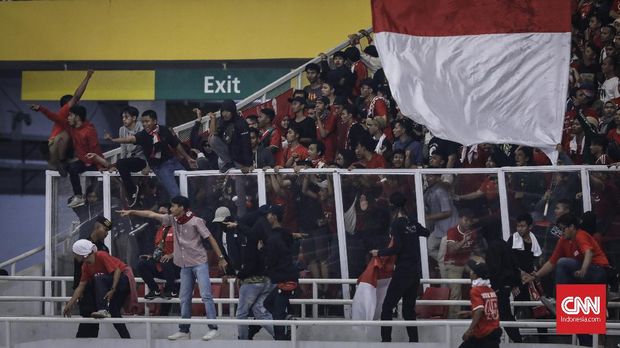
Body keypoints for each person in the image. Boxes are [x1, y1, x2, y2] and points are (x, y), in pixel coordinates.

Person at [118, 195, 228, 341]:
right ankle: (184, 328)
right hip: (184, 265)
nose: (171, 209)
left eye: (173, 206)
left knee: (206, 295)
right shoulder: (172, 220)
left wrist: (221, 258)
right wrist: (132, 212)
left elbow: (210, 238)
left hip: (199, 263)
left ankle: (213, 328)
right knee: (184, 298)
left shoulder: (196, 221)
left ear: (181, 208)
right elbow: (151, 214)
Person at [370, 192, 429, 342]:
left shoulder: (396, 224)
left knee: (387, 307)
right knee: (409, 309)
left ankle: (386, 342)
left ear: (392, 206)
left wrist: (379, 252)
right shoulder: (412, 221)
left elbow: (398, 247)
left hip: (403, 271)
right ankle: (414, 341)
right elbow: (426, 232)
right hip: (415, 271)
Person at [212, 206, 276, 340]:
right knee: (259, 310)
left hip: (249, 277)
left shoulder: (243, 236)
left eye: (222, 222)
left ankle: (243, 340)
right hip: (252, 276)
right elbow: (227, 255)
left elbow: (246, 258)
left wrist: (240, 274)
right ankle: (280, 334)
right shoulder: (221, 234)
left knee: (242, 312)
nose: (221, 225)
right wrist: (230, 272)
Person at [105, 110, 196, 201]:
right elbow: (129, 139)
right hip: (160, 167)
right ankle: (178, 213)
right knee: (174, 192)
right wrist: (113, 140)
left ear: (155, 121)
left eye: (147, 121)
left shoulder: (164, 130)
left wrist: (188, 158)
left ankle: (191, 210)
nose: (145, 124)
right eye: (143, 122)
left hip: (173, 161)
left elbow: (176, 144)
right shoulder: (143, 135)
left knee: (190, 186)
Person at [63, 239, 132, 339]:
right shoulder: (85, 266)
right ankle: (127, 340)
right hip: (110, 284)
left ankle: (103, 309)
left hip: (122, 280)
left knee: (98, 278)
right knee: (114, 312)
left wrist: (112, 289)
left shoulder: (101, 255)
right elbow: (81, 286)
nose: (74, 256)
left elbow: (117, 270)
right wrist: (70, 303)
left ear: (83, 254)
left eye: (76, 254)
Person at [30, 70, 94, 176]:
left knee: (79, 135)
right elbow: (77, 96)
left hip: (63, 150)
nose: (77, 104)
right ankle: (61, 161)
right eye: (75, 103)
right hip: (54, 148)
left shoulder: (74, 120)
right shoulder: (64, 112)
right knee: (66, 135)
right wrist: (87, 77)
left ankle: (66, 161)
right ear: (67, 105)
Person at [263, 204, 299, 341]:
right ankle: (289, 318)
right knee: (268, 303)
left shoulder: (273, 239)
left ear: (275, 217)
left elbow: (272, 259)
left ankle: (281, 340)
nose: (267, 217)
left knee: (277, 314)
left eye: (269, 214)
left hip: (284, 279)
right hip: (288, 276)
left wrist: (263, 251)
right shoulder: (286, 234)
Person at [137, 204, 181, 301]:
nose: (160, 216)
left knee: (165, 260)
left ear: (170, 215)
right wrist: (152, 256)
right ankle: (154, 290)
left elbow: (186, 248)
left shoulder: (179, 227)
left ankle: (172, 291)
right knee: (142, 263)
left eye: (163, 213)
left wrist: (172, 255)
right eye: (159, 213)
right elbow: (159, 249)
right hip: (162, 267)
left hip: (176, 267)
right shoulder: (159, 230)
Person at [106, 106, 146, 207]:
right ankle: (133, 191)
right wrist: (118, 164)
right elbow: (123, 149)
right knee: (121, 163)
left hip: (142, 159)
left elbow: (147, 148)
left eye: (126, 117)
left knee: (121, 163)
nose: (124, 119)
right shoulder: (122, 129)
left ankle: (132, 191)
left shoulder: (141, 127)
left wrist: (148, 165)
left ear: (134, 118)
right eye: (123, 117)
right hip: (129, 160)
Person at [459, 259, 501, 348]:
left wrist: (469, 330)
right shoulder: (490, 290)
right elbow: (488, 310)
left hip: (484, 333)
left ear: (475, 275)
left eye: (472, 271)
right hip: (492, 331)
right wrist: (471, 313)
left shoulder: (475, 290)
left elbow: (479, 310)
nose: (470, 272)